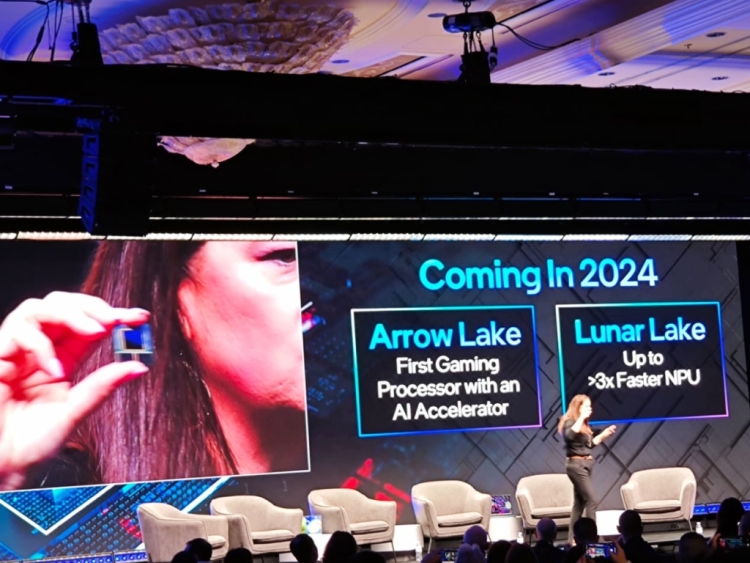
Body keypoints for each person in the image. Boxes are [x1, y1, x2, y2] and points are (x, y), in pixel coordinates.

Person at [0, 241, 309, 489]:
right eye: (284, 257)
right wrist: (7, 475)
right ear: (178, 304)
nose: (317, 293)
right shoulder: (66, 482)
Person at [558, 394, 616, 542]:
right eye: (586, 407)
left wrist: (604, 435)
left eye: (590, 406)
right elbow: (570, 436)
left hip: (585, 464)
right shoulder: (569, 422)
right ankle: (592, 539)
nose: (590, 409)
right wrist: (581, 417)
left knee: (579, 504)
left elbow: (589, 445)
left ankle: (572, 540)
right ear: (578, 407)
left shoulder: (584, 425)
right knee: (592, 501)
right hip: (576, 466)